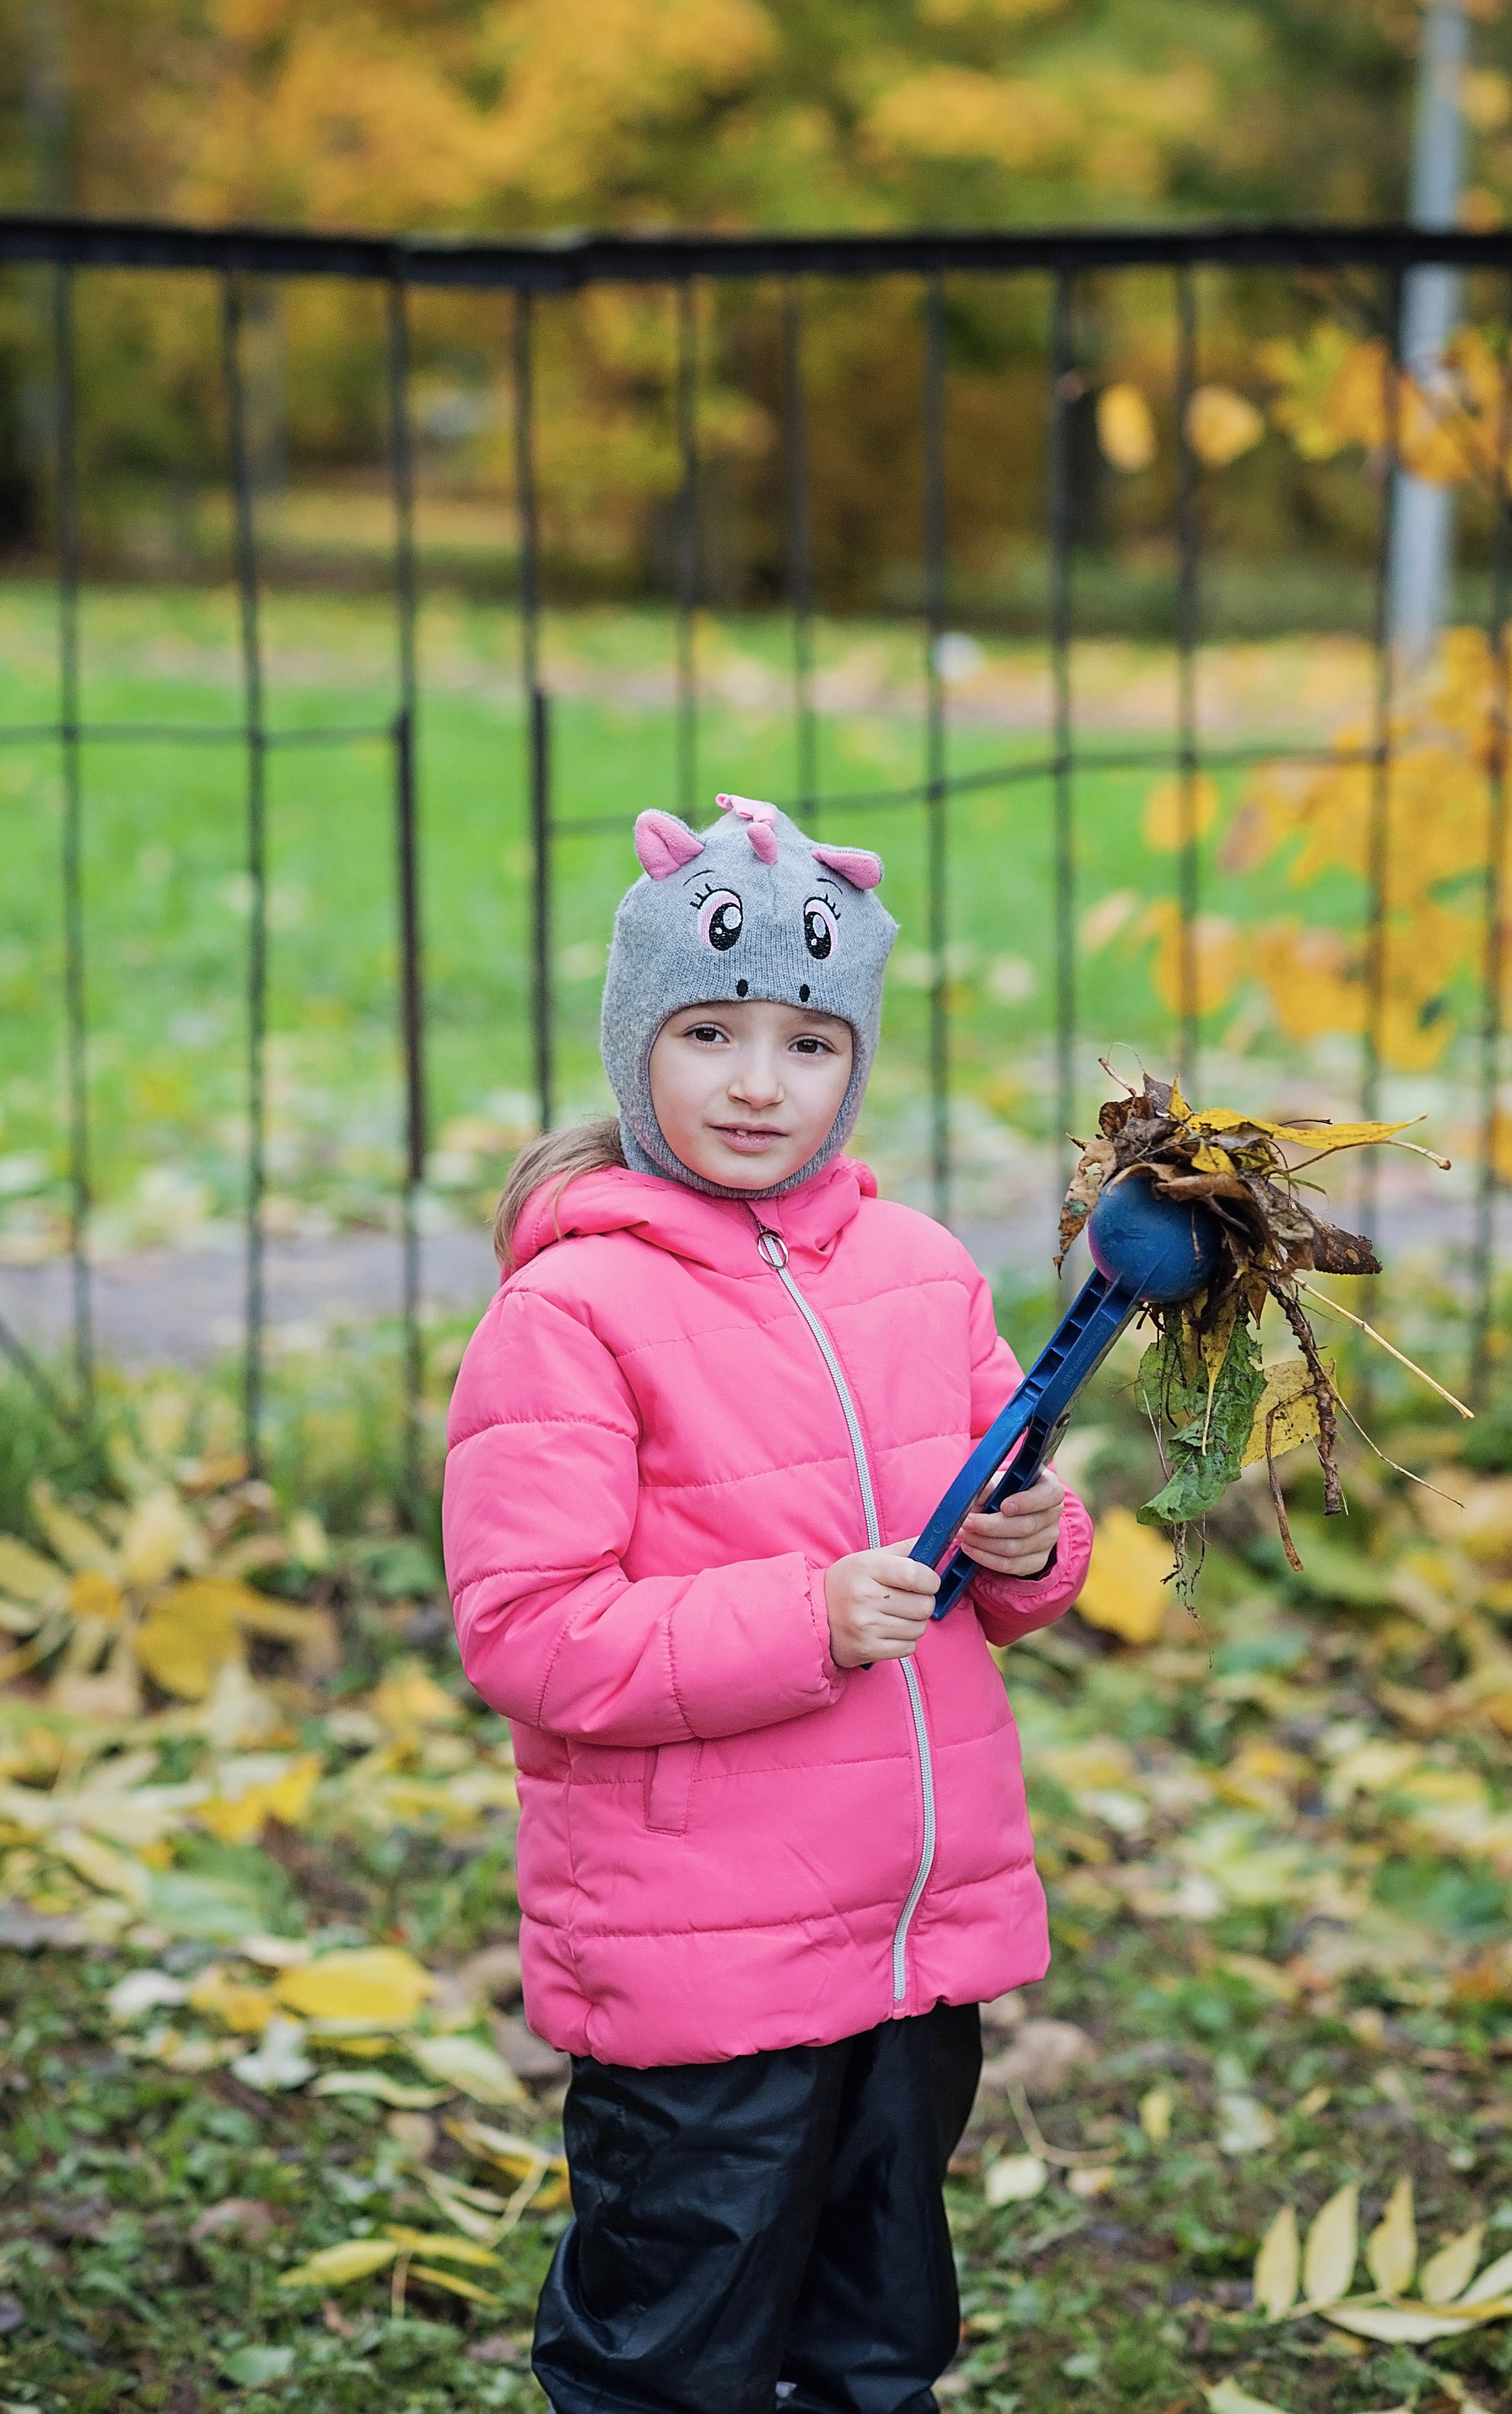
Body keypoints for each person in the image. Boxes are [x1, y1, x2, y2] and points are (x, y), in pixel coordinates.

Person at [442, 791, 1094, 2414]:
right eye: (711, 1030)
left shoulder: (925, 1273)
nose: (757, 1081)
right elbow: (527, 1631)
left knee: (876, 2347)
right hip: (699, 1964)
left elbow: (1004, 1545)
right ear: (635, 1039)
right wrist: (803, 1621)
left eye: (810, 1043)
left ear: (855, 1064)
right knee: (675, 2352)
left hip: (903, 1945)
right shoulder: (574, 1308)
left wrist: (1030, 1544)